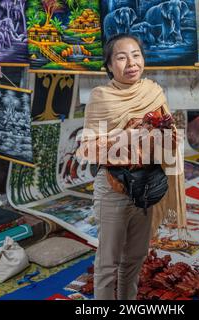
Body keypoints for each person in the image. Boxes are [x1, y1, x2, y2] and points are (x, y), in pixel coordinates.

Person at [77, 34, 187, 300]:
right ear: (109, 64)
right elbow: (88, 148)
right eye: (122, 57)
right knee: (107, 263)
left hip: (146, 185)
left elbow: (168, 141)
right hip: (113, 189)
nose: (131, 63)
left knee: (135, 259)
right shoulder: (101, 98)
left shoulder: (153, 92)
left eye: (136, 55)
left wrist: (169, 137)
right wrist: (128, 135)